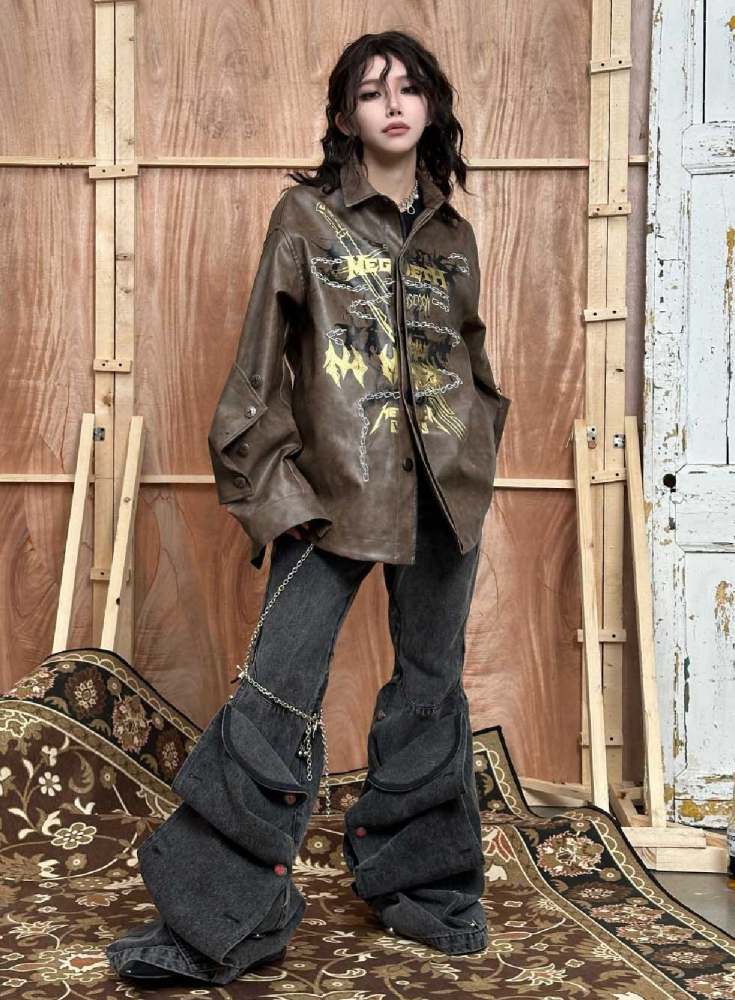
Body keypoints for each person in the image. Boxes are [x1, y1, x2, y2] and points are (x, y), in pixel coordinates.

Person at [105, 28, 510, 987]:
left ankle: (424, 891)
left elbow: (472, 362)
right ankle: (216, 917)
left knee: (430, 691)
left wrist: (476, 453)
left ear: (431, 107)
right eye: (371, 92)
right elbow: (256, 374)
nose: (393, 104)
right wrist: (274, 494)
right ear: (344, 116)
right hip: (330, 499)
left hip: (444, 500)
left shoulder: (453, 236)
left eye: (408, 88)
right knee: (275, 696)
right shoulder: (305, 218)